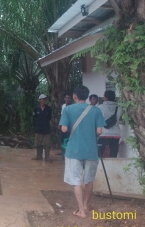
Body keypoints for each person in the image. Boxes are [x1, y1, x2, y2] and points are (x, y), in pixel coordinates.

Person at [59, 86, 105, 219]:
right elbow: (99, 131)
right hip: (91, 150)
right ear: (87, 96)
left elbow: (64, 129)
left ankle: (81, 211)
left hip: (74, 150)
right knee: (89, 179)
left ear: (74, 96)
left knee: (76, 181)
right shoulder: (96, 110)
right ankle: (86, 204)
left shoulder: (68, 109)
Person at [97, 90, 122, 158]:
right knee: (113, 154)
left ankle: (99, 168)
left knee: (99, 154)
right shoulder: (119, 107)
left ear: (106, 97)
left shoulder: (100, 107)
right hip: (116, 134)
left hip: (103, 133)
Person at [32, 94, 53, 163]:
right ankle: (38, 156)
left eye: (44, 99)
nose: (43, 100)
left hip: (46, 129)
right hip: (38, 128)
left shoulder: (49, 109)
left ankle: (47, 157)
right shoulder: (36, 108)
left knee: (47, 144)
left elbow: (50, 118)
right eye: (42, 99)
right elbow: (34, 118)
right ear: (39, 100)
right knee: (38, 143)